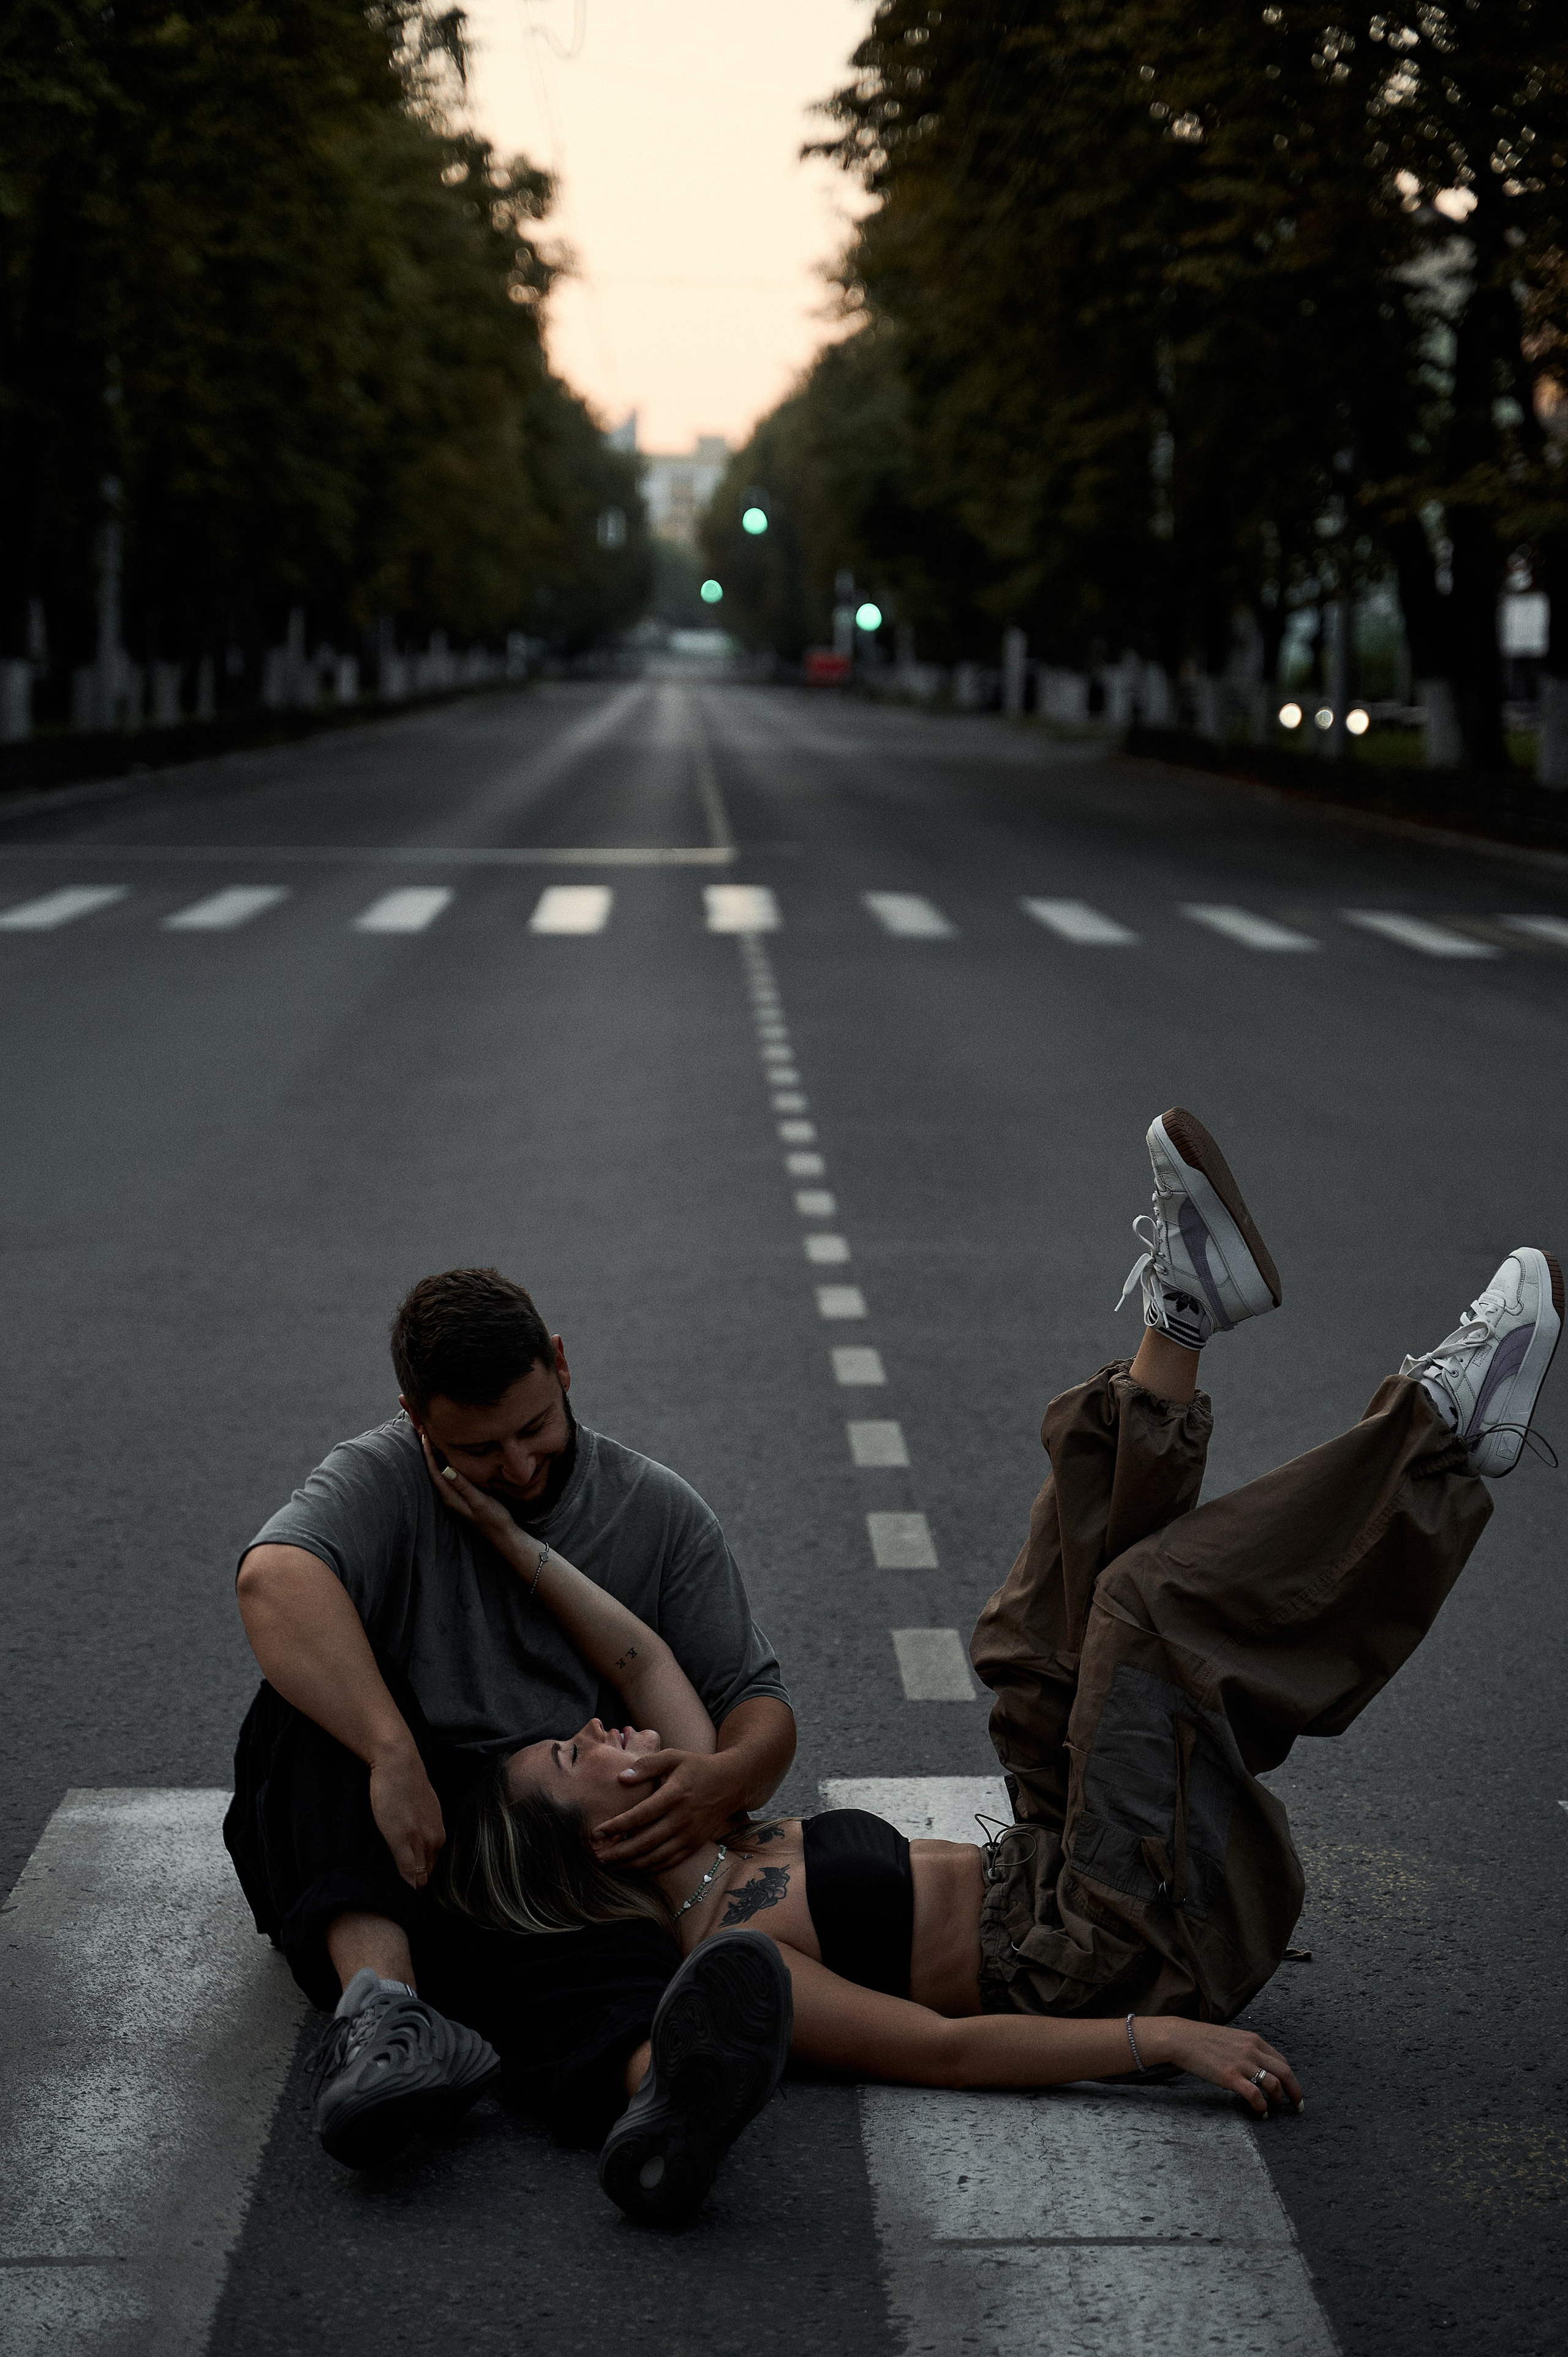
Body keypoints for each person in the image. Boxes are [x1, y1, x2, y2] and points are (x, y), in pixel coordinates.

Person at [435, 1109, 1559, 2127]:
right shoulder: (726, 1951)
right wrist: (1160, 2039)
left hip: (1059, 1858)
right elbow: (939, 2046)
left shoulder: (710, 1819)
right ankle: (1443, 1434)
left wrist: (509, 1539)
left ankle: (1182, 1314)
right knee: (1145, 1612)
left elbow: (634, 1649)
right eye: (572, 1755)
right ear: (594, 1840)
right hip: (1123, 1947)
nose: (597, 1728)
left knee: (1032, 1647)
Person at [223, 1267, 798, 2224]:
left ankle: (668, 2100)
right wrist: (392, 1752)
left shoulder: (656, 1512)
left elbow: (759, 1705)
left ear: (562, 1366)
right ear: (414, 1416)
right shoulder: (379, 1476)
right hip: (400, 1851)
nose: (521, 1468)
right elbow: (271, 1580)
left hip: (561, 1869)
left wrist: (723, 1778)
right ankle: (388, 2020)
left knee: (593, 1969)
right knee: (297, 1712)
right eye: (480, 1450)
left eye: (535, 1428)